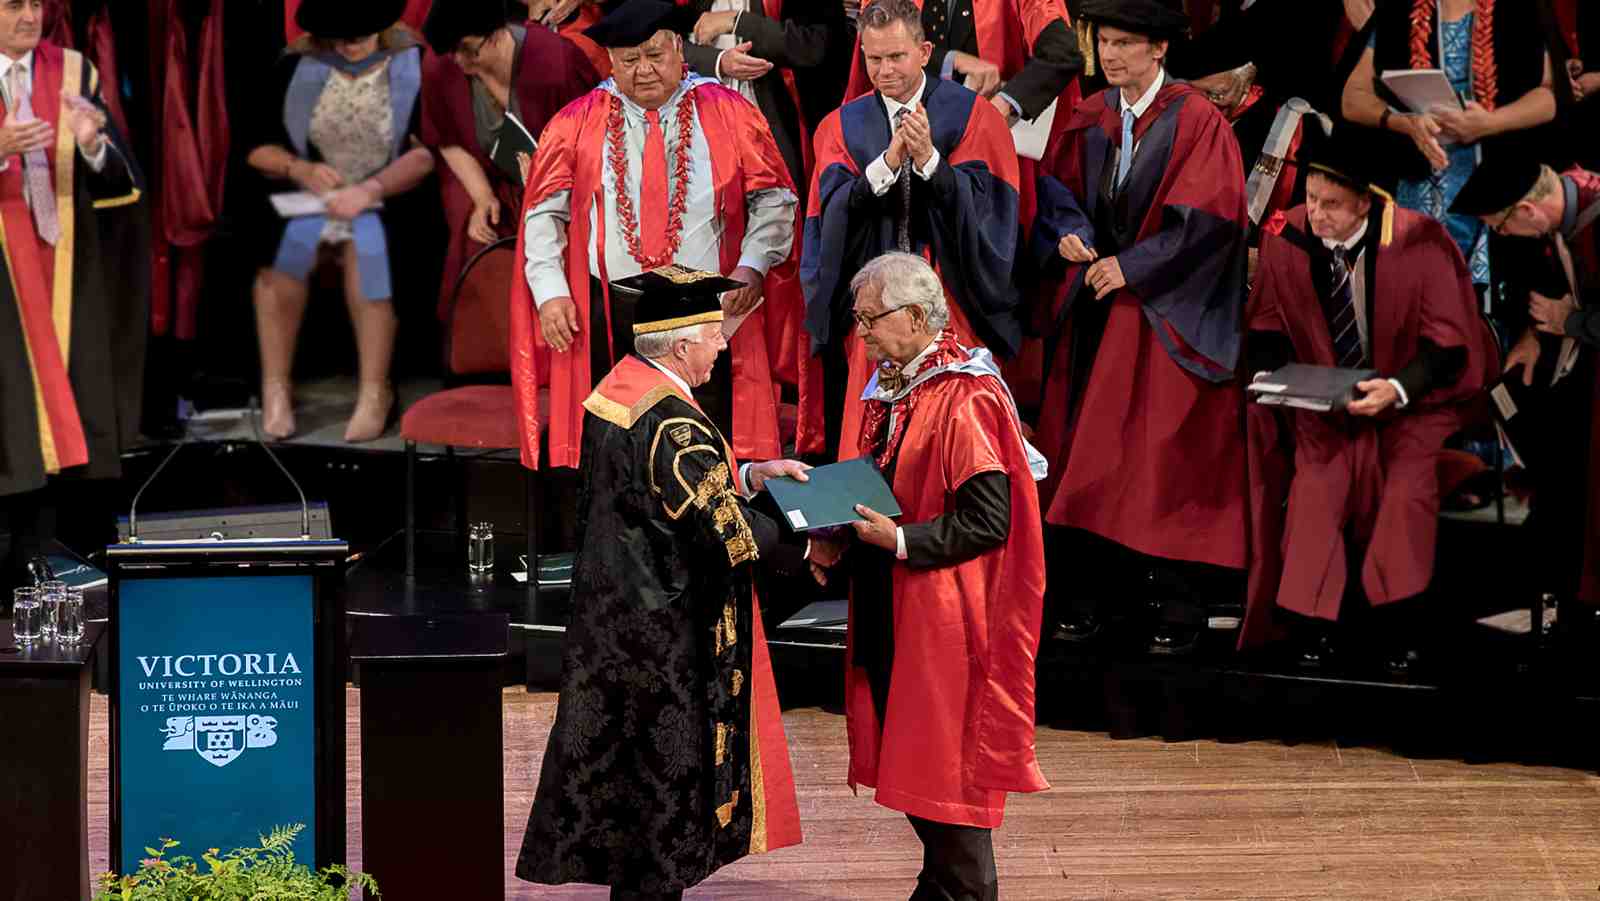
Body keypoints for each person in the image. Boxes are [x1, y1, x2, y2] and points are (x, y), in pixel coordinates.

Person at [516, 268, 816, 901]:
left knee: (623, 788)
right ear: (681, 345)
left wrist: (753, 472)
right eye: (714, 336)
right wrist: (813, 541)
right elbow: (728, 533)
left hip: (612, 622)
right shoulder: (676, 423)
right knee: (660, 802)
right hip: (666, 636)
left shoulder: (616, 393)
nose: (723, 347)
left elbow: (657, 493)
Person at [807, 253, 1049, 901]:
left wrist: (904, 539)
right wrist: (833, 529)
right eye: (856, 321)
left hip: (943, 627)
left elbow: (988, 519)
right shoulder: (895, 383)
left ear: (916, 317)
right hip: (893, 611)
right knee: (921, 793)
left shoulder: (966, 394)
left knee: (951, 800)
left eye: (870, 320)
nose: (861, 335)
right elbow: (887, 484)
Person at [1029, 0, 1250, 654]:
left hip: (1168, 316)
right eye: (1106, 42)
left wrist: (1133, 267)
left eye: (1127, 43)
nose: (1113, 55)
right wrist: (1068, 232)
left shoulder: (1197, 121)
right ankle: (1097, 600)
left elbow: (1209, 222)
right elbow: (1054, 191)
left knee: (1157, 466)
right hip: (1098, 314)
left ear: (1160, 50)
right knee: (1086, 460)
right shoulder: (1092, 116)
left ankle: (1175, 608)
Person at [1238, 137, 1498, 670]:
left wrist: (1397, 389)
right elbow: (1266, 324)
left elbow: (1449, 345)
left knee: (1405, 490)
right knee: (1317, 488)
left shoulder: (1418, 241)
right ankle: (1314, 627)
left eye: (1330, 204)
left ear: (1365, 201)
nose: (1316, 214)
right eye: (1311, 198)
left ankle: (1398, 627)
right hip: (1326, 405)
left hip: (1411, 403)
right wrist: (1283, 379)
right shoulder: (1289, 235)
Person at [514, 0, 799, 471]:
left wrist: (751, 266)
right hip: (611, 310)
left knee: (705, 448)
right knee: (622, 452)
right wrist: (550, 293)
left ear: (678, 51)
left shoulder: (730, 111)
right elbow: (543, 215)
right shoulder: (575, 122)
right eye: (629, 60)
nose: (643, 70)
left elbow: (774, 199)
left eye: (654, 55)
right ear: (610, 61)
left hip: (707, 309)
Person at [800, 0, 1023, 459]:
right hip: (872, 298)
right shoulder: (841, 124)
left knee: (949, 417)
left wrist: (930, 163)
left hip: (948, 294)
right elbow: (833, 210)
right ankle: (870, 518)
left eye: (896, 57)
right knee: (872, 422)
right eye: (873, 58)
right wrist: (887, 163)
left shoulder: (973, 114)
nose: (884, 71)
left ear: (924, 51)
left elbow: (990, 209)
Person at [244, 0, 437, 442]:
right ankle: (276, 388)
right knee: (281, 265)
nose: (351, 47)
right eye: (341, 38)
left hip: (386, 199)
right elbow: (255, 146)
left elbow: (427, 152)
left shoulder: (413, 62)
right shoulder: (297, 64)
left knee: (365, 254)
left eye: (360, 37)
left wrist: (369, 190)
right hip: (312, 197)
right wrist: (300, 169)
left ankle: (375, 392)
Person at [0, 0, 145, 588]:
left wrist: (91, 144)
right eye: (14, 4)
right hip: (4, 271)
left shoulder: (74, 69)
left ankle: (37, 558)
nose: (29, 15)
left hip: (62, 261)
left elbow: (119, 181)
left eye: (37, 3)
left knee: (63, 405)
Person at [1452, 157, 1600, 637]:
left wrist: (1570, 323)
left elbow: (1577, 308)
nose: (1507, 236)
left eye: (1502, 226)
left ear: (1528, 212)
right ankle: (1558, 602)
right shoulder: (1564, 223)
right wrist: (1539, 333)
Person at [1341, 0, 1560, 288]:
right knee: (1412, 295)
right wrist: (1405, 123)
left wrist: (1491, 122)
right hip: (1414, 188)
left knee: (1484, 308)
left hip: (1495, 193)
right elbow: (1352, 98)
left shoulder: (1518, 9)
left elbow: (1548, 100)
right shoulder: (1399, 10)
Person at [420, 0, 597, 323]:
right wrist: (481, 196)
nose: (460, 61)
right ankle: (489, 357)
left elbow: (592, 142)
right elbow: (446, 139)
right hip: (490, 179)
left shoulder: (555, 63)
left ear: (498, 34)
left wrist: (547, 182)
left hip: (565, 185)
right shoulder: (443, 62)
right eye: (453, 54)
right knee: (477, 231)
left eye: (469, 50)